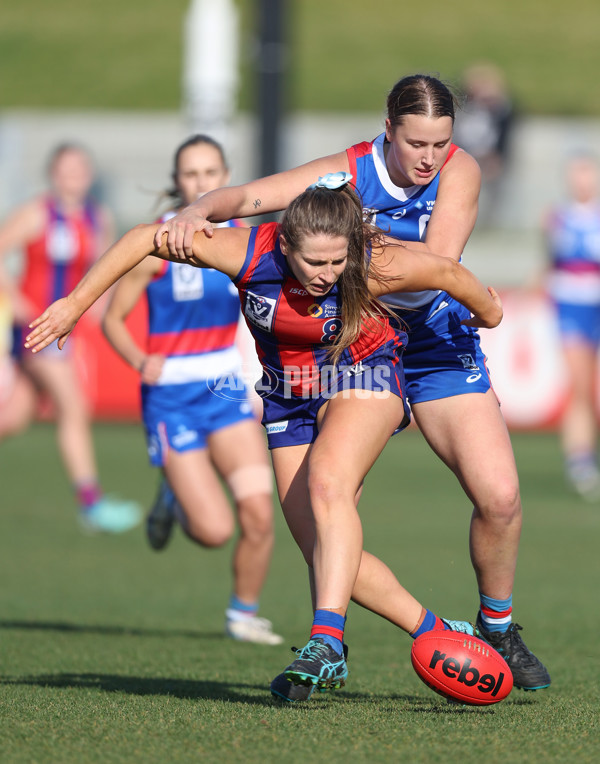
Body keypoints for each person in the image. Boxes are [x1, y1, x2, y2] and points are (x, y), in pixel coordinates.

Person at [25, 174, 503, 700]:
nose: (327, 276)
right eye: (313, 263)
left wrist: (491, 313)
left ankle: (326, 641)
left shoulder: (372, 259)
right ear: (285, 244)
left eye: (337, 263)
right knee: (319, 546)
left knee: (328, 484)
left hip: (364, 374)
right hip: (286, 395)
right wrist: (74, 305)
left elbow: (448, 272)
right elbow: (143, 237)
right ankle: (434, 631)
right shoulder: (246, 251)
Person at [153, 73, 551, 694]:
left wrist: (348, 242)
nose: (429, 158)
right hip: (355, 347)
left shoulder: (460, 171)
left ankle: (495, 626)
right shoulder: (346, 172)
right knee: (323, 516)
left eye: (441, 143)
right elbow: (256, 197)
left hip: (436, 343)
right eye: (417, 142)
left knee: (500, 497)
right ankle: (351, 638)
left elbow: (429, 277)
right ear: (387, 129)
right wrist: (200, 210)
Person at [102, 135, 283, 644]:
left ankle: (242, 614)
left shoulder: (246, 239)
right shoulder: (155, 242)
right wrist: (140, 360)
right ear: (177, 181)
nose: (201, 183)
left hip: (223, 387)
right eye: (191, 174)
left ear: (225, 177)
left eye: (210, 173)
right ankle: (172, 497)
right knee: (213, 531)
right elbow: (113, 320)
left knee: (258, 511)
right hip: (172, 396)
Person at [0, 143, 141, 533]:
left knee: (13, 417)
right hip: (37, 330)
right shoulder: (35, 214)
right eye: (66, 168)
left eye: (80, 168)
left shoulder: (98, 218)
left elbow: (106, 267)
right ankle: (91, 505)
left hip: (66, 333)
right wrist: (18, 301)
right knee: (74, 406)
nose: (73, 175)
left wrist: (101, 302)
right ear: (53, 174)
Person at [542, 152, 600, 498]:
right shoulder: (557, 218)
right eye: (577, 174)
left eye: (587, 173)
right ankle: (580, 460)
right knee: (579, 385)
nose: (582, 180)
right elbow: (551, 264)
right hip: (571, 307)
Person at [452, 63, 515, 227]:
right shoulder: (463, 108)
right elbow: (458, 132)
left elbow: (505, 132)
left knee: (492, 191)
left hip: (489, 156)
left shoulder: (500, 110)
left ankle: (489, 222)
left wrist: (497, 156)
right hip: (465, 154)